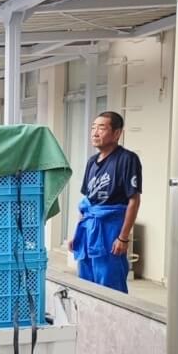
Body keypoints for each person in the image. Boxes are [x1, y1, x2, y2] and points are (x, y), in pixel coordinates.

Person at [70, 112, 142, 294]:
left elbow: (134, 199)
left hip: (110, 228)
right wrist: (76, 233)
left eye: (101, 128)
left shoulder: (127, 159)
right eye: (93, 128)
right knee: (86, 282)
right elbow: (86, 202)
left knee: (109, 283)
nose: (95, 133)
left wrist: (123, 237)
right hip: (88, 228)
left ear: (117, 133)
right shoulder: (91, 162)